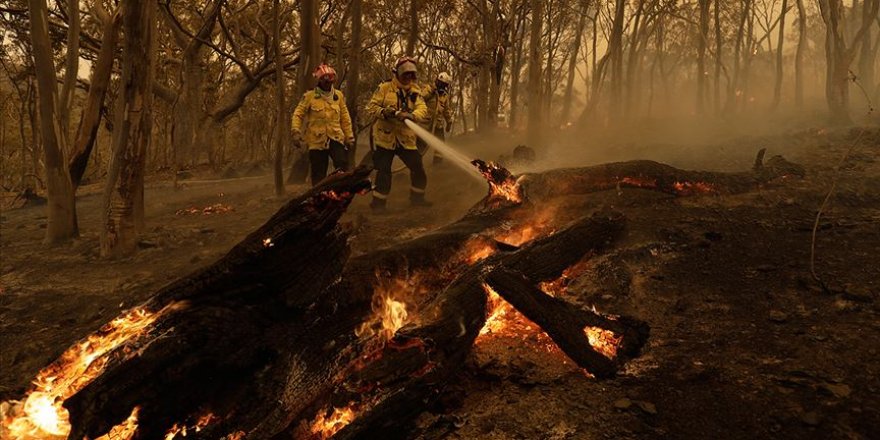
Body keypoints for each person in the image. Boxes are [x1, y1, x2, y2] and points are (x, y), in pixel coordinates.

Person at [365, 56, 430, 210]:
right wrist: (385, 112)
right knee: (384, 173)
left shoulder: (415, 91)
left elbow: (422, 109)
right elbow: (370, 107)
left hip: (405, 139)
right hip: (384, 138)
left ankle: (417, 199)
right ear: (398, 73)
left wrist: (412, 116)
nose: (408, 77)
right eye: (405, 74)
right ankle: (378, 205)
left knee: (418, 168)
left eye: (411, 74)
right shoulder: (385, 88)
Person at [291, 63, 355, 186]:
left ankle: (340, 193)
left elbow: (345, 118)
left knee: (342, 164)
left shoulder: (339, 96)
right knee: (318, 174)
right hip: (316, 141)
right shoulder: (309, 96)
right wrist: (295, 131)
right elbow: (298, 114)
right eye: (325, 81)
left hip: (336, 138)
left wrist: (349, 136)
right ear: (319, 81)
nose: (327, 83)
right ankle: (319, 199)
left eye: (330, 81)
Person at [419, 72, 454, 164]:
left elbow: (446, 109)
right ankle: (416, 163)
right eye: (441, 84)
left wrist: (449, 122)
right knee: (422, 143)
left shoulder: (444, 95)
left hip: (438, 124)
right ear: (437, 81)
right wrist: (431, 92)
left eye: (444, 85)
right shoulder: (428, 89)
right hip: (426, 123)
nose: (442, 86)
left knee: (440, 144)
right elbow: (419, 99)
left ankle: (437, 164)